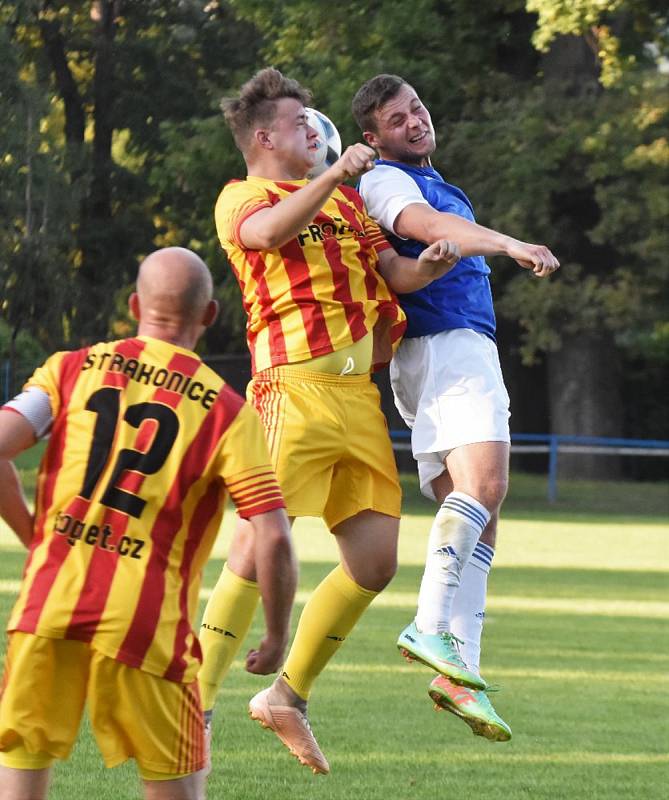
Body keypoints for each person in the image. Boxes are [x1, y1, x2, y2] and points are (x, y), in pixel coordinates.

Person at [199, 67, 461, 775]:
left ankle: (287, 696)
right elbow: (267, 234)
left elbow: (392, 278)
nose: (312, 130)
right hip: (292, 392)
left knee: (375, 564)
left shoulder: (347, 207)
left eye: (314, 121)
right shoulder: (243, 197)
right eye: (299, 123)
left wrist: (431, 263)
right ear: (264, 137)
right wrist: (336, 173)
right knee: (259, 547)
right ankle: (196, 700)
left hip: (356, 402)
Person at [0, 247, 297, 800]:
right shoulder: (227, 411)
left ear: (135, 304)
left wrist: (34, 537)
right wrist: (277, 634)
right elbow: (273, 533)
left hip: (46, 607)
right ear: (209, 317)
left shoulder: (69, 370)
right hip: (148, 629)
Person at [351, 74, 560, 741]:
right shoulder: (385, 181)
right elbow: (426, 227)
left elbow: (441, 223)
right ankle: (427, 625)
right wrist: (508, 243)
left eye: (416, 108)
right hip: (447, 347)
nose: (413, 120)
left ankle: (459, 672)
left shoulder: (437, 180)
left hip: (436, 355)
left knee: (479, 514)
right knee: (488, 486)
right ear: (372, 137)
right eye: (396, 117)